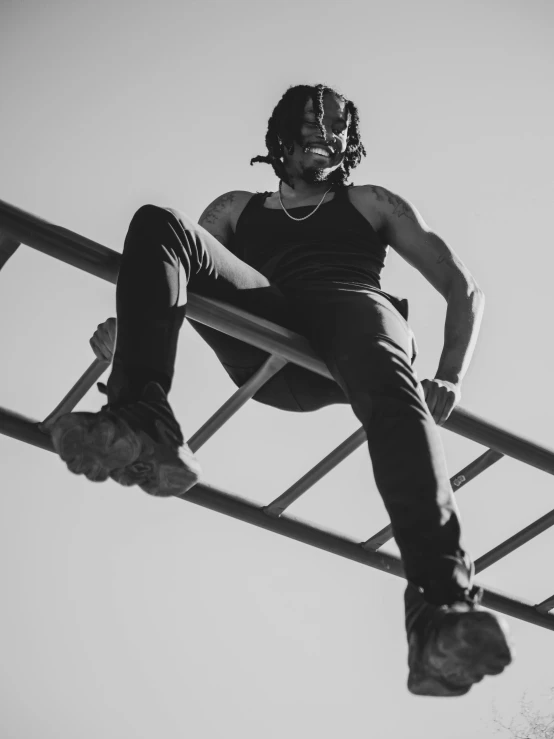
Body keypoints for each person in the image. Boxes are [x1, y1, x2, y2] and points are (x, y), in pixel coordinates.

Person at [50, 84, 513, 697]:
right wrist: (131, 335)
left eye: (338, 133)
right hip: (269, 327)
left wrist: (450, 374)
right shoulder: (238, 209)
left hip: (350, 313)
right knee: (158, 224)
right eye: (311, 130)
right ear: (280, 138)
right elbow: (176, 267)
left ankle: (443, 605)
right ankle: (142, 419)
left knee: (393, 390)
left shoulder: (371, 201)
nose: (326, 140)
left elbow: (464, 287)